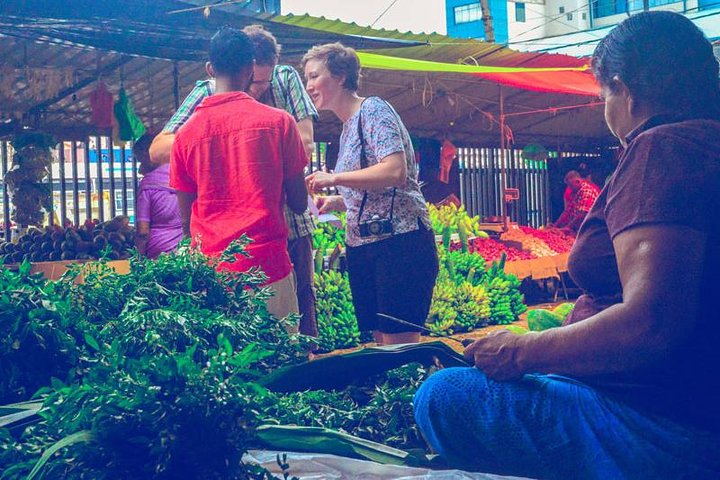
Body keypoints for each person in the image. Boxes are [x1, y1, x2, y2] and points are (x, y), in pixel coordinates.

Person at [413, 11, 720, 479]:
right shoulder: (706, 142)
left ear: (625, 89)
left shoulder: (662, 146)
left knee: (443, 394)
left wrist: (521, 350)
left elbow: (652, 323)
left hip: (662, 423)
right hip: (692, 405)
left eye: (604, 97)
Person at [150, 25, 319, 339]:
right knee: (279, 369)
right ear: (251, 68)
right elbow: (298, 202)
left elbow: (187, 225)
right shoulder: (279, 123)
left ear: (210, 69)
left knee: (229, 373)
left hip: (214, 275)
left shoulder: (185, 136)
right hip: (270, 269)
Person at [303, 43, 438, 346]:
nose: (309, 86)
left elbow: (395, 171)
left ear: (339, 76)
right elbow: (373, 187)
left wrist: (334, 178)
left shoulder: (373, 110)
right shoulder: (348, 126)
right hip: (364, 246)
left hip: (398, 244)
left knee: (399, 346)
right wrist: (338, 200)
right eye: (307, 79)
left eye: (314, 76)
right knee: (381, 344)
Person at [133, 134, 183, 258]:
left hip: (158, 250)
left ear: (149, 155)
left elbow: (143, 232)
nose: (140, 169)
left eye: (141, 161)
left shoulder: (148, 183)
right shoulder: (186, 176)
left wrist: (138, 258)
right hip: (184, 249)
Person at [550, 169, 600, 234]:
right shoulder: (576, 192)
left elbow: (582, 215)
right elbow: (567, 211)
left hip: (590, 230)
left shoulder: (587, 191)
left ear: (577, 181)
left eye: (570, 185)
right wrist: (555, 226)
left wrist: (567, 228)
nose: (569, 188)